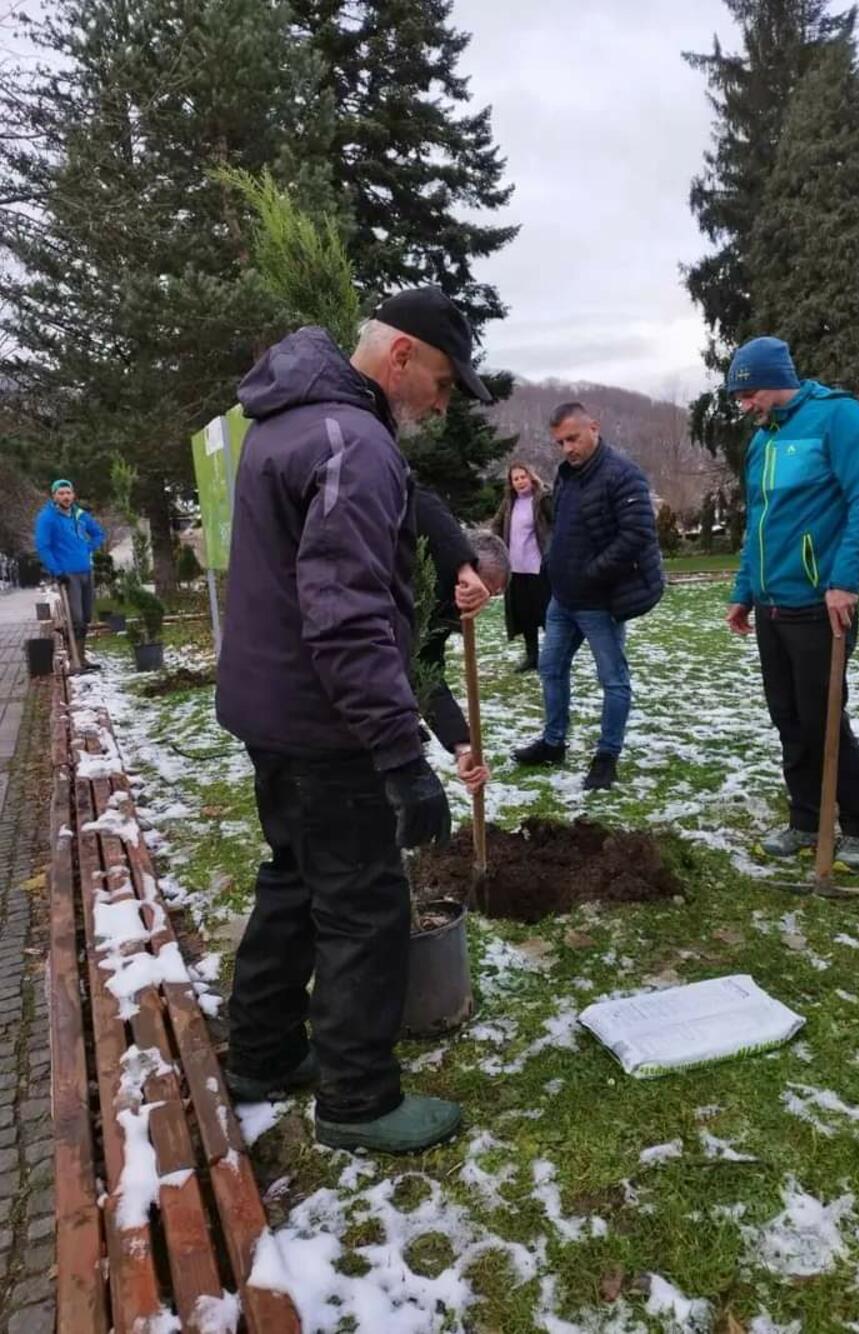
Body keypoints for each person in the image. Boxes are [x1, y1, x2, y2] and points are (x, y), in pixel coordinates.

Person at [216, 286, 494, 1154]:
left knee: (295, 879)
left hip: (270, 709)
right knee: (366, 904)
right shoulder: (352, 441)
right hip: (324, 722)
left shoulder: (292, 418)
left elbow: (384, 527)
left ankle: (260, 1053)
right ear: (402, 356)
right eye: (444, 383)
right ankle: (358, 1098)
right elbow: (345, 617)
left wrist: (453, 550)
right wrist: (398, 754)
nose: (444, 404)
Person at [723, 336, 859, 870]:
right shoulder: (762, 442)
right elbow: (760, 523)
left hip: (821, 604)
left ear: (772, 382)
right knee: (788, 719)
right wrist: (743, 591)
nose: (743, 406)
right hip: (773, 606)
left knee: (823, 719)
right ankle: (804, 819)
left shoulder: (837, 417)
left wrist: (845, 579)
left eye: (747, 394)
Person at [513, 402, 663, 790]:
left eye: (573, 438)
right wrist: (553, 563)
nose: (567, 448)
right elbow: (561, 528)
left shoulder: (623, 475)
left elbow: (636, 536)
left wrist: (591, 574)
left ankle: (606, 757)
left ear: (594, 427)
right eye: (560, 442)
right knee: (550, 668)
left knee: (612, 680)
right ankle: (553, 742)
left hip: (599, 602)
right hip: (562, 599)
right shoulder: (566, 476)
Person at [415, 487, 510, 773]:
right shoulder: (419, 577)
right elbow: (419, 500)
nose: (480, 604)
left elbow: (425, 672)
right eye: (483, 591)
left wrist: (462, 746)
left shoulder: (442, 611)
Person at [34, 478, 105, 669]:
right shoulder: (47, 518)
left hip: (85, 571)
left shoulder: (80, 515)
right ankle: (74, 659)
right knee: (76, 617)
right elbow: (43, 546)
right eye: (61, 493)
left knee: (86, 616)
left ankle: (81, 657)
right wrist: (57, 571)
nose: (65, 497)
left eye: (68, 493)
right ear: (54, 496)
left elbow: (99, 533)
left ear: (73, 495)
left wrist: (87, 548)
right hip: (67, 573)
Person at [490, 461, 553, 671]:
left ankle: (553, 656)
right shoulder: (509, 502)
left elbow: (555, 525)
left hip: (538, 568)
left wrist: (551, 550)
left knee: (546, 615)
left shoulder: (543, 499)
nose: (520, 482)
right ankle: (532, 657)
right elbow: (496, 524)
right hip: (516, 568)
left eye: (522, 477)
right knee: (525, 615)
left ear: (531, 477)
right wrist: (498, 546)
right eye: (515, 479)